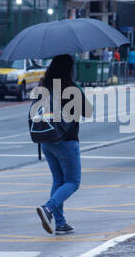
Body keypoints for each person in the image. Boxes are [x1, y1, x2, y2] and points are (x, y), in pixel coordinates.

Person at [36, 54, 93, 235]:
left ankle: (60, 223)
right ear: (70, 69)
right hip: (66, 140)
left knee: (58, 181)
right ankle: (49, 208)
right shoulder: (71, 88)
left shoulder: (44, 86)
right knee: (73, 182)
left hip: (46, 140)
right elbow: (88, 112)